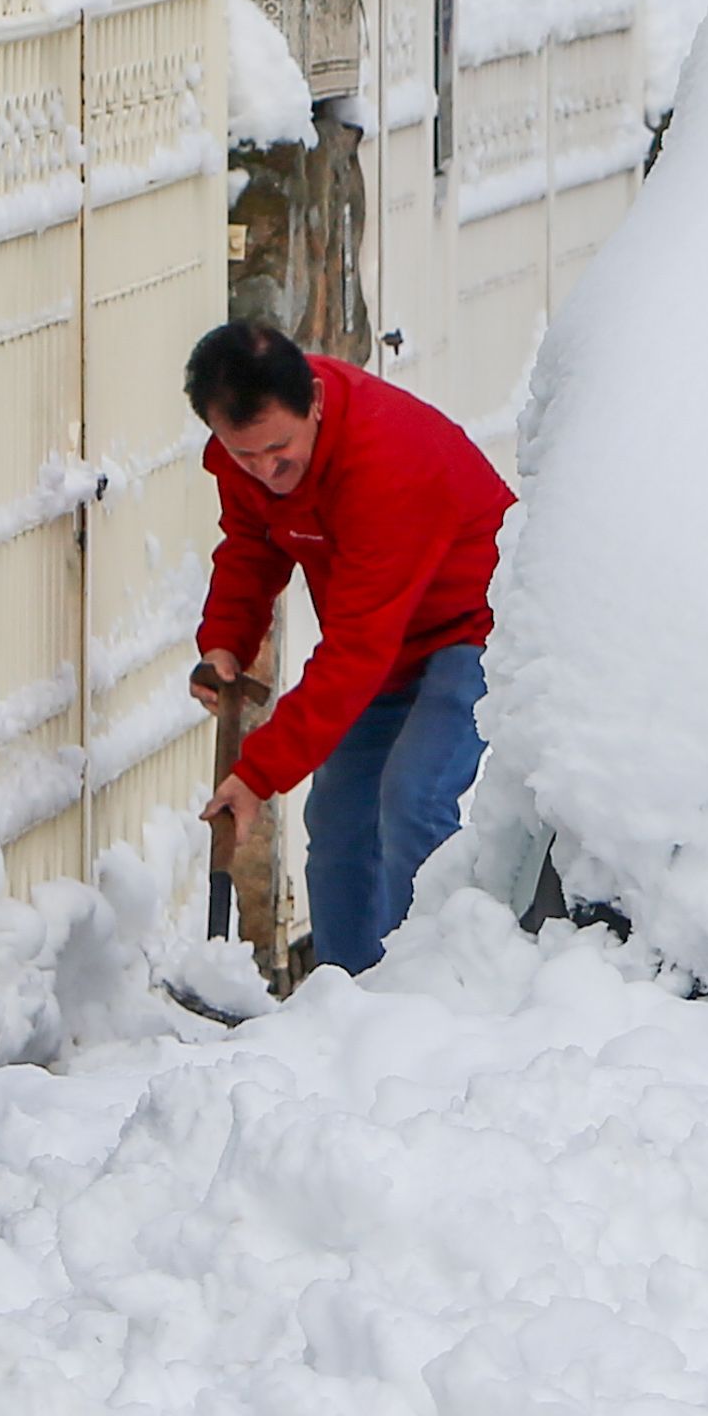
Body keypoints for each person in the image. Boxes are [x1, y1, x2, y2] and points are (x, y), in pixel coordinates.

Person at [185, 320, 514, 977]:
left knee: (413, 799)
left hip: (478, 623)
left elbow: (357, 651)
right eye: (245, 457)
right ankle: (346, 996)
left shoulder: (385, 461)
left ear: (313, 400)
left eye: (280, 450)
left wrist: (256, 774)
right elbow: (251, 545)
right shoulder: (248, 456)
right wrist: (225, 641)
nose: (267, 472)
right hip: (387, 633)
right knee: (337, 822)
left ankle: (432, 991)